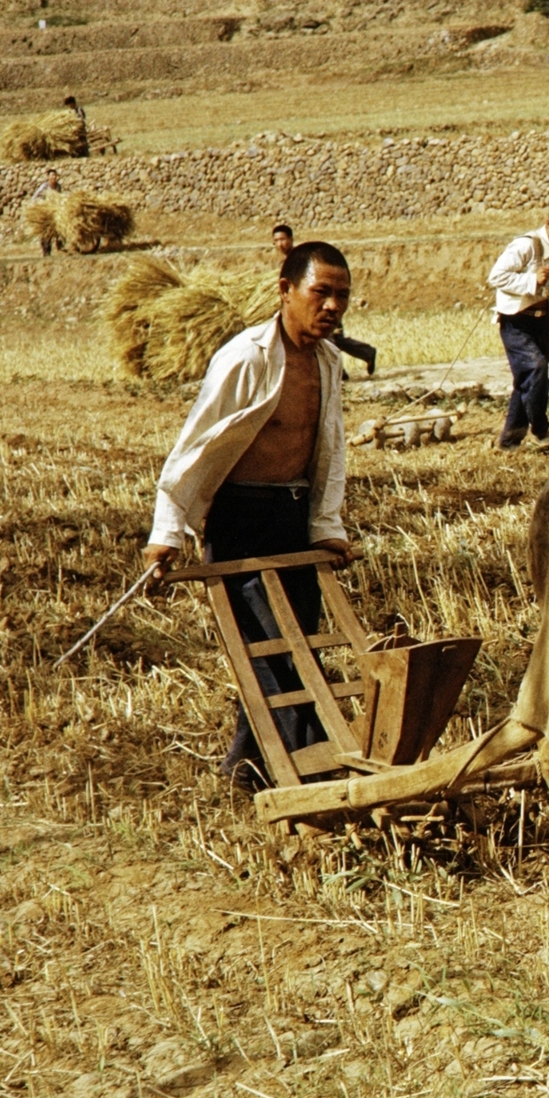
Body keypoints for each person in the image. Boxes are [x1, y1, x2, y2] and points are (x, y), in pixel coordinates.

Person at [141, 241, 354, 792]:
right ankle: (311, 766)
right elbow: (192, 448)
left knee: (298, 638)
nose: (332, 306)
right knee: (269, 648)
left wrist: (326, 528)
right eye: (321, 292)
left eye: (342, 296)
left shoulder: (328, 362)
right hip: (241, 516)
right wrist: (169, 532)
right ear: (285, 290)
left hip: (292, 513)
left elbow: (328, 451)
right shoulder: (245, 357)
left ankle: (245, 767)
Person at [487, 200, 549, 449]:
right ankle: (540, 428)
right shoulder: (525, 245)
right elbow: (496, 276)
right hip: (516, 322)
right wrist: (531, 280)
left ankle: (509, 441)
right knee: (536, 368)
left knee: (527, 379)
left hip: (542, 322)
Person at [272, 224, 376, 375]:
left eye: (283, 239)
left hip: (318, 305)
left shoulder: (306, 260)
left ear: (291, 239)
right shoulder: (285, 263)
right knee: (330, 338)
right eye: (276, 240)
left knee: (329, 338)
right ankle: (359, 357)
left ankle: (338, 370)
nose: (280, 243)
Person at [30, 169, 62, 256]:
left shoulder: (58, 187)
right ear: (48, 177)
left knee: (53, 231)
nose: (54, 177)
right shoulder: (44, 186)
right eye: (52, 175)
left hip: (53, 211)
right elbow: (35, 197)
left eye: (55, 175)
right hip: (44, 211)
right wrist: (38, 205)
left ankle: (53, 248)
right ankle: (45, 251)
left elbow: (59, 197)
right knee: (45, 232)